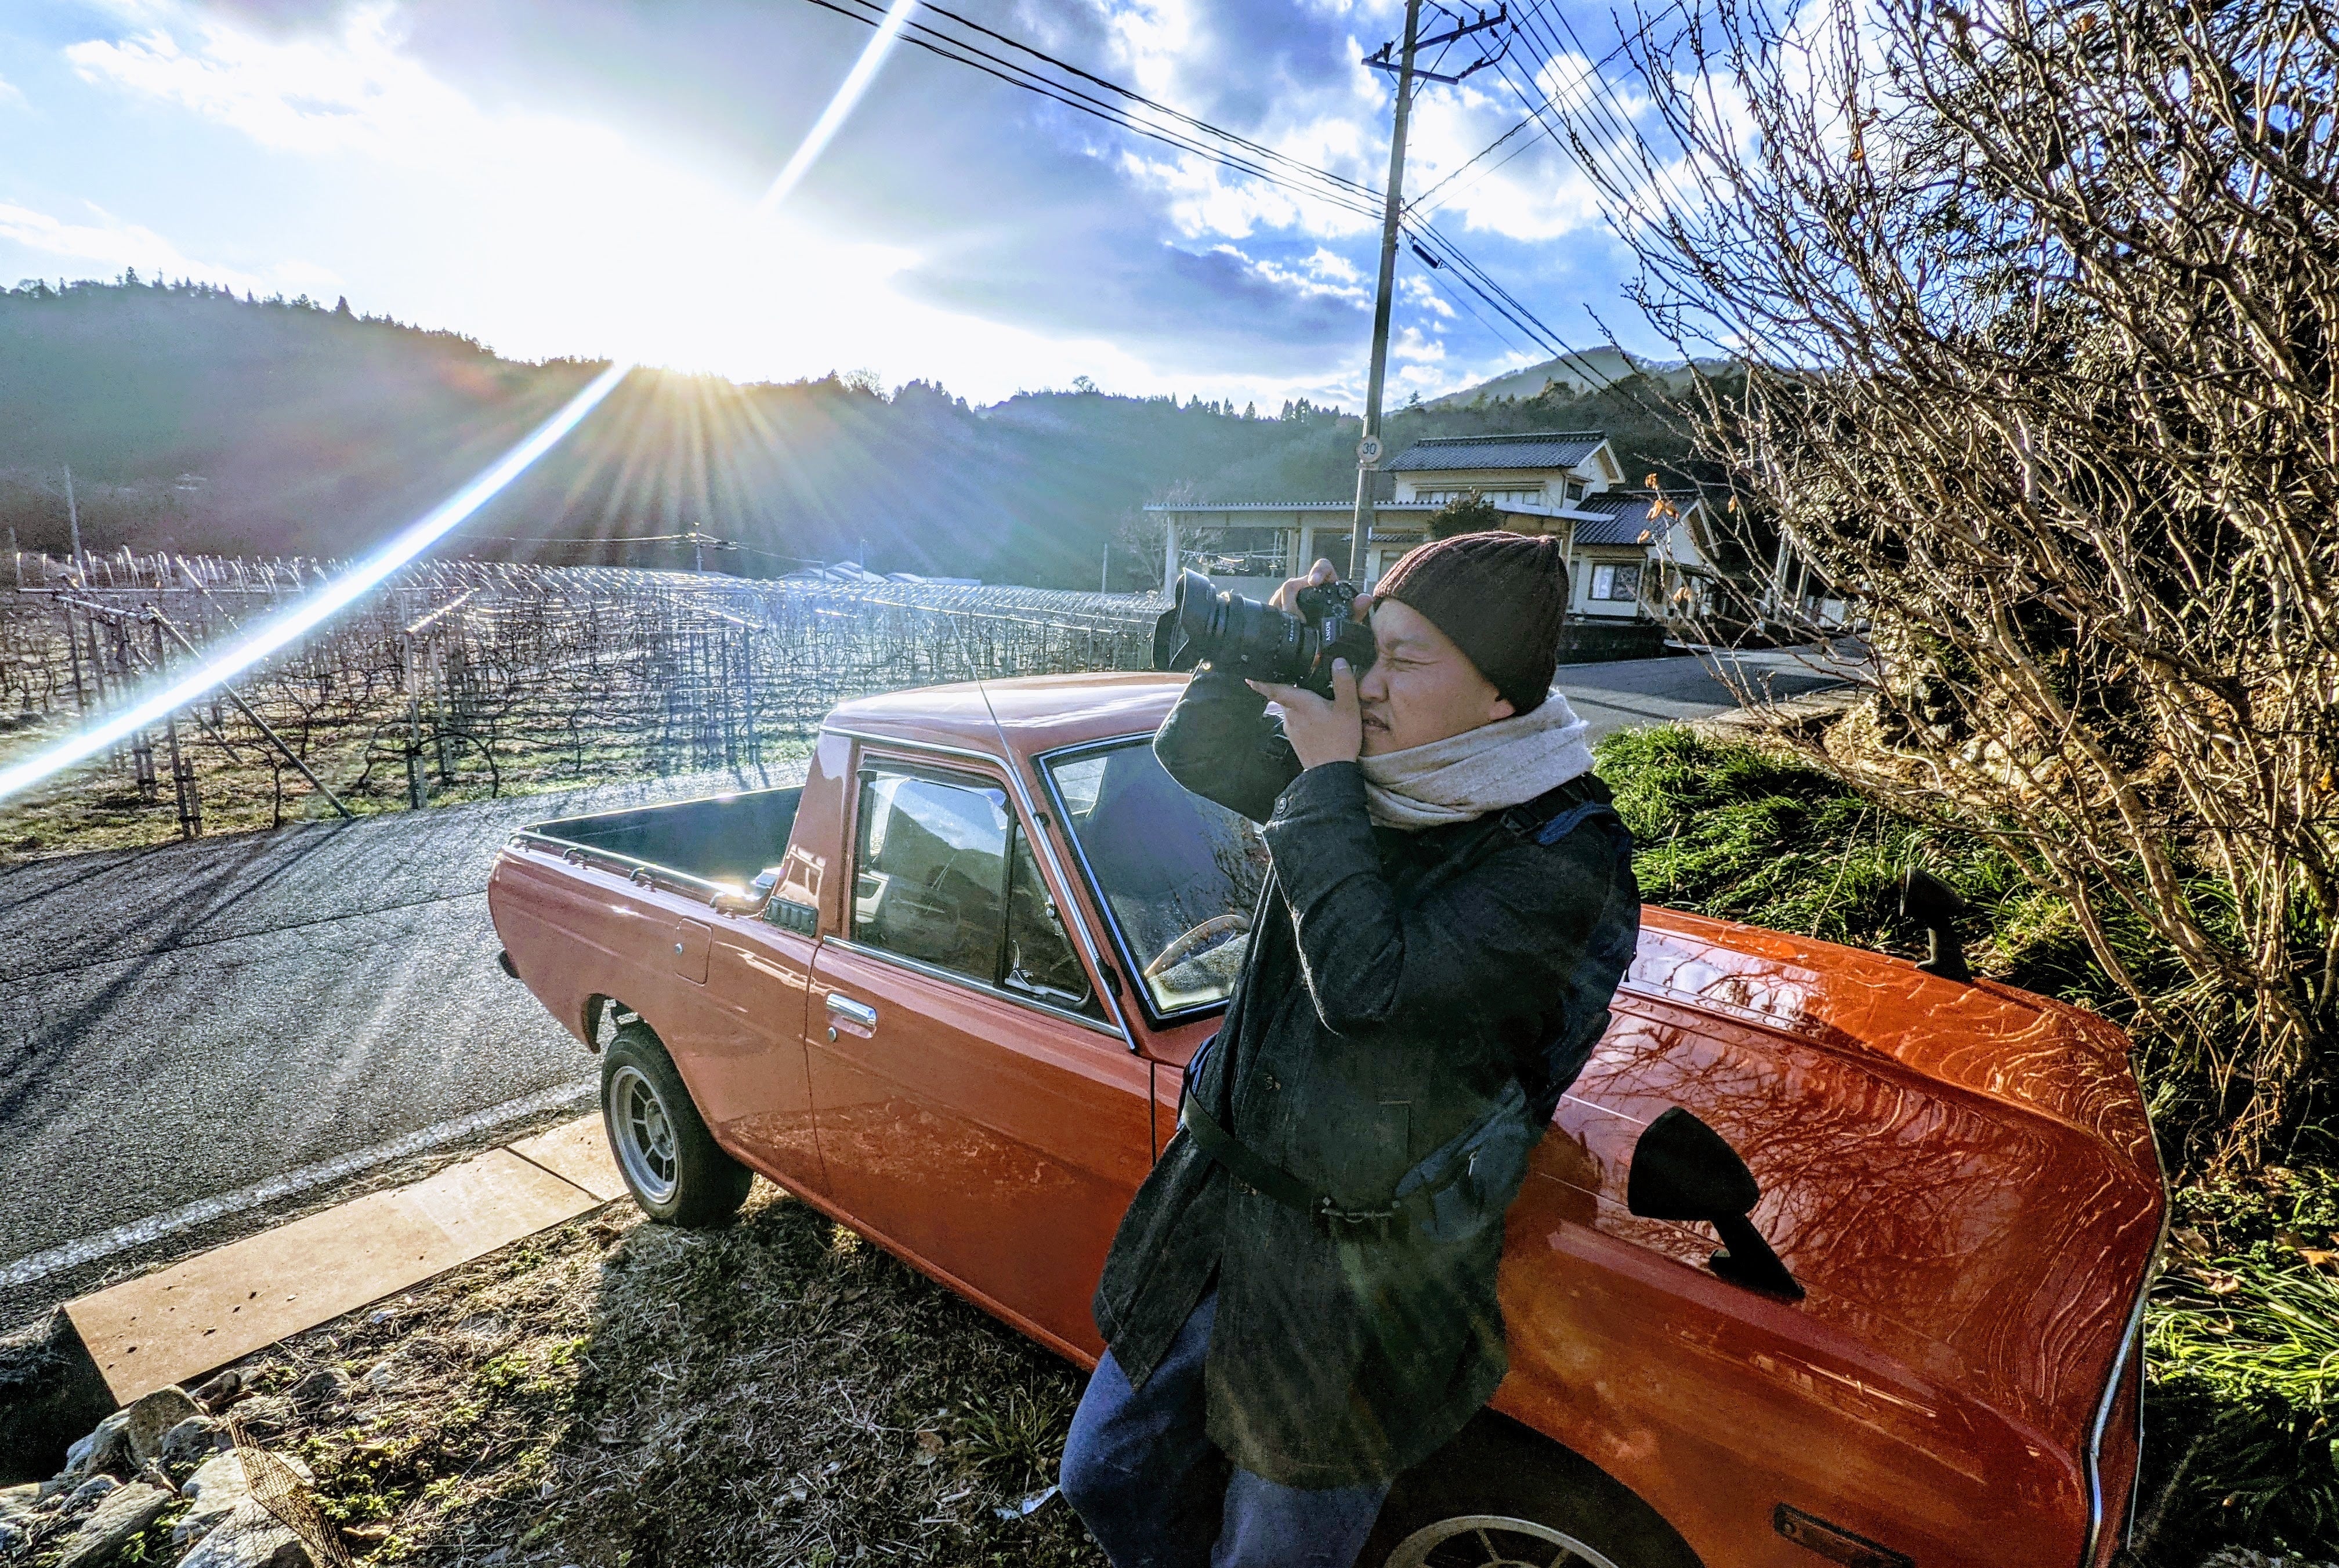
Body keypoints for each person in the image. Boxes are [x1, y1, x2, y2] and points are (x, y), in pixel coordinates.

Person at [1060, 530, 1643, 1568]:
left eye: (1406, 661)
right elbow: (1198, 751)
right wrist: (1262, 655)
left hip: (1360, 1288)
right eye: (1372, 647)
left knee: (1275, 1552)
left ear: (1501, 696)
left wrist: (1326, 778)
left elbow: (1368, 995)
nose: (1368, 684)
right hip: (1222, 1215)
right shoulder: (1385, 771)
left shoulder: (1560, 859)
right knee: (1105, 1471)